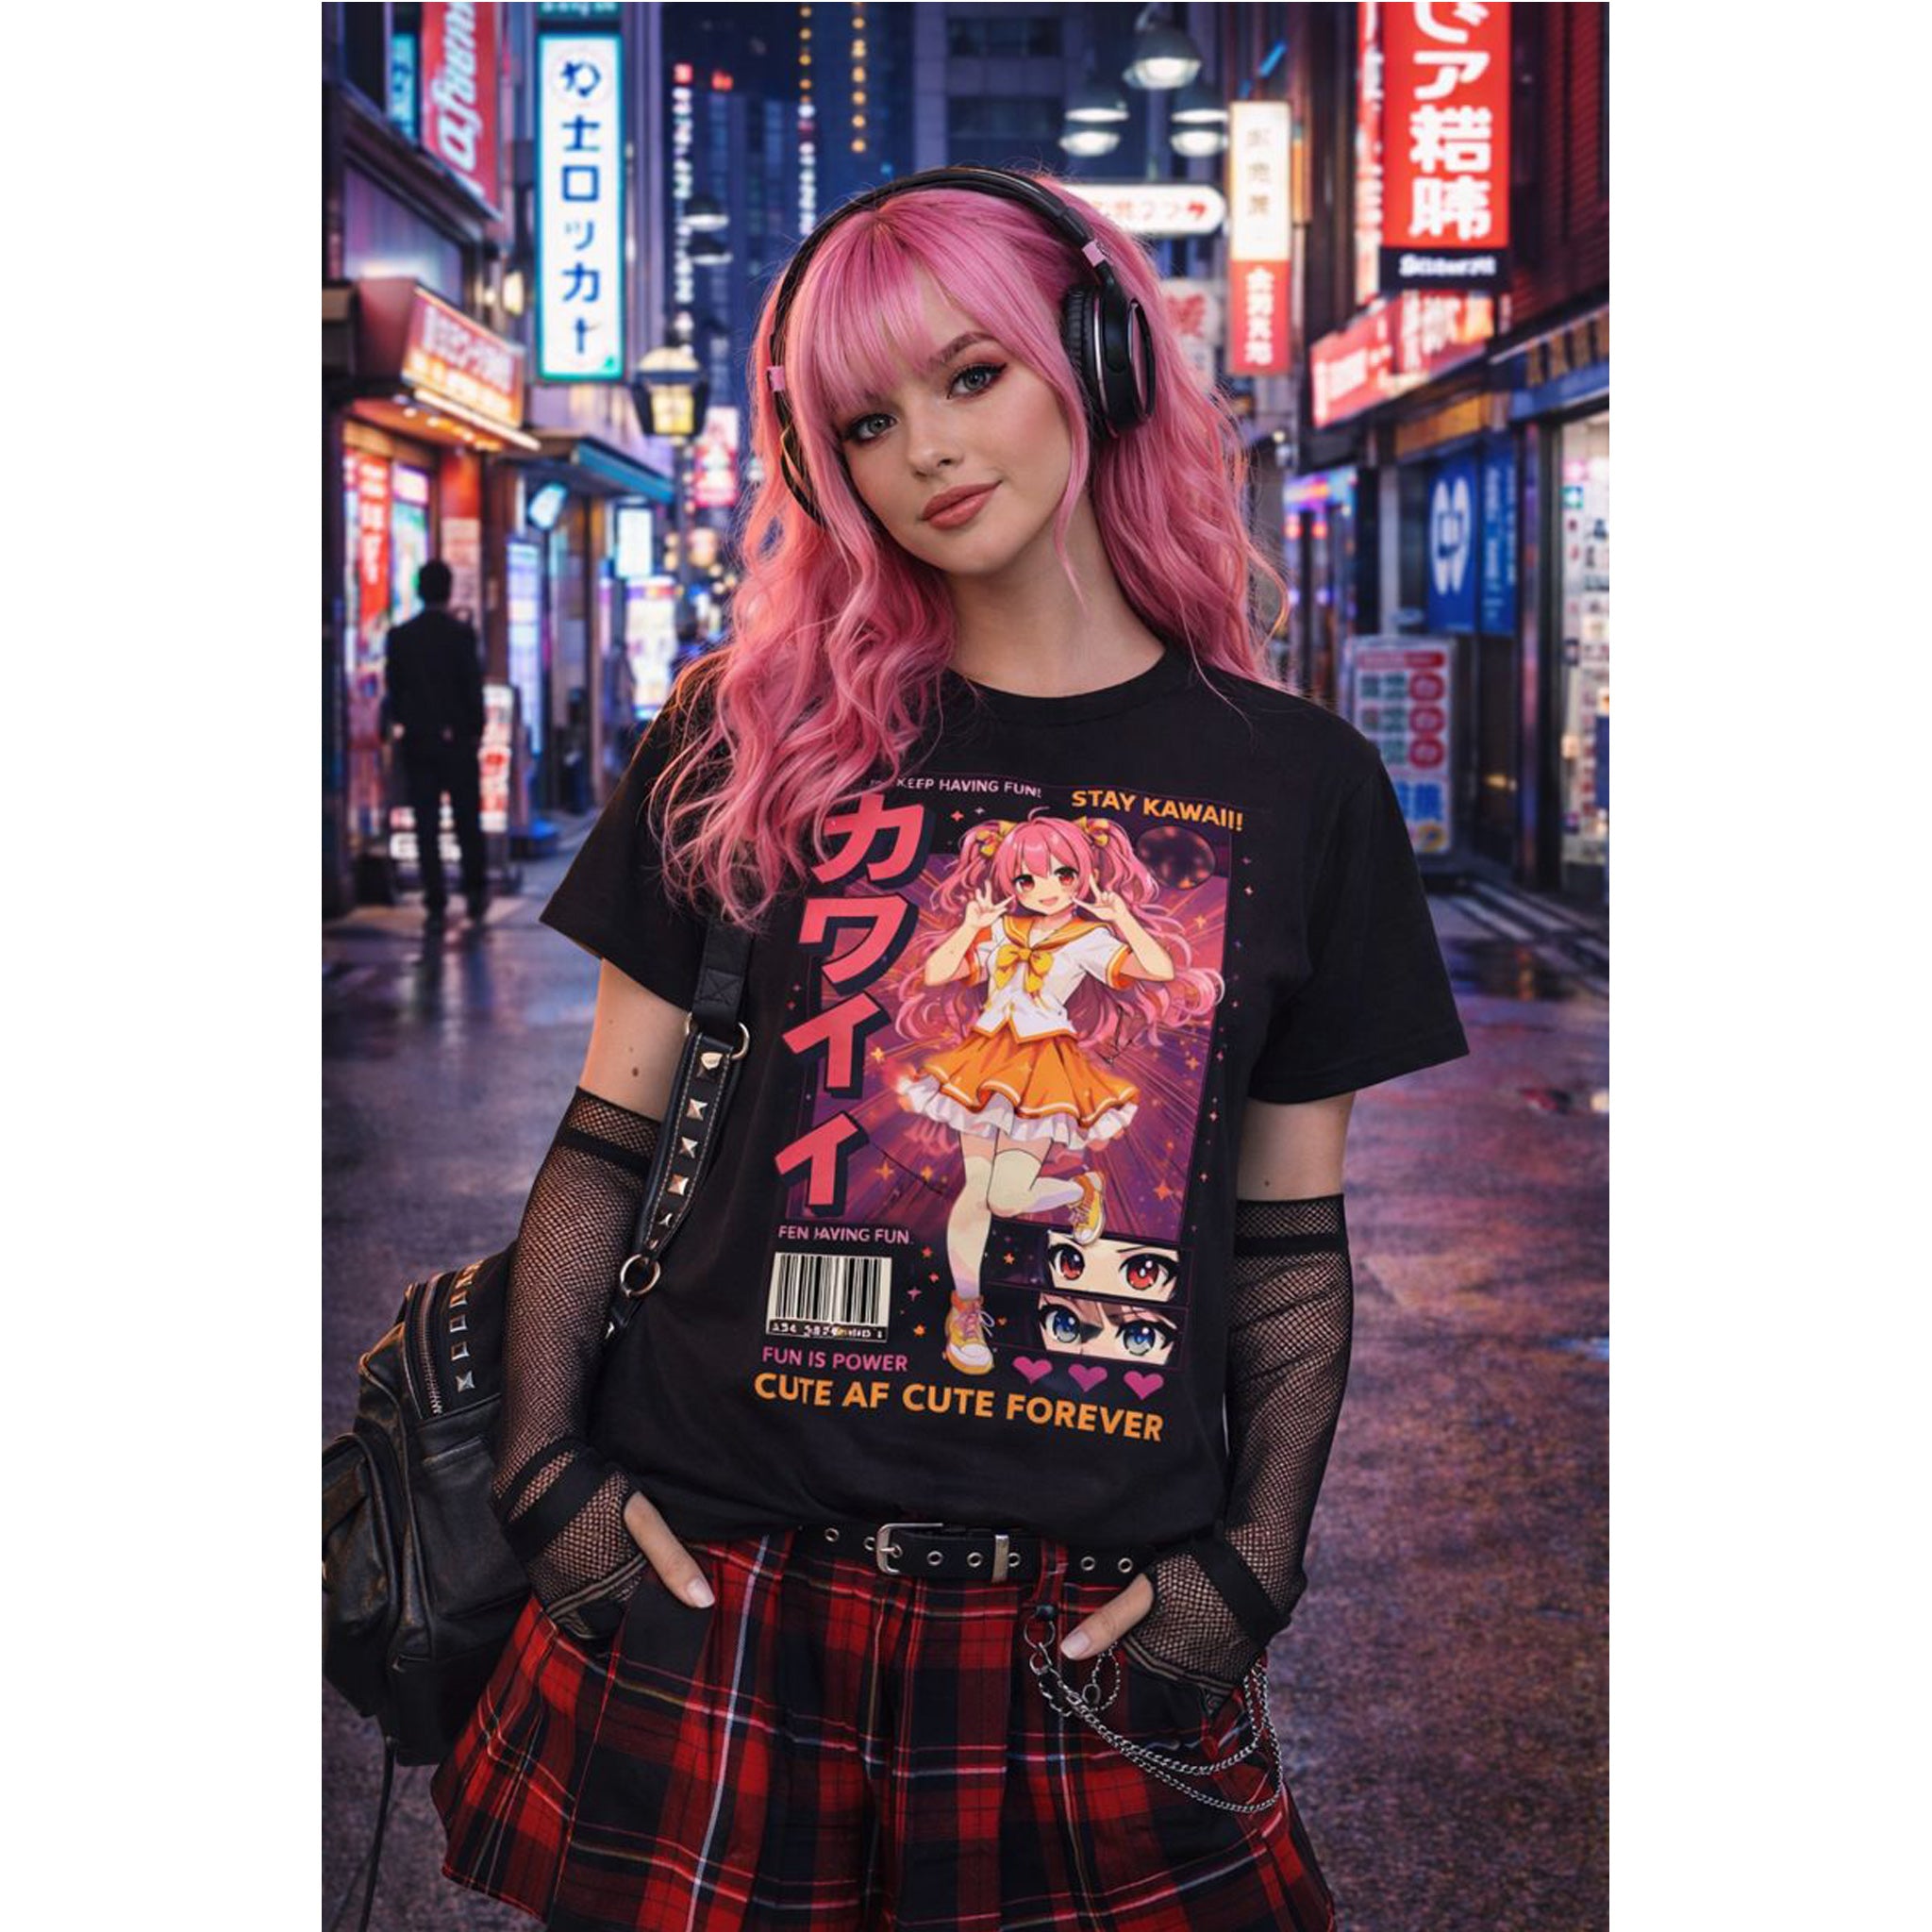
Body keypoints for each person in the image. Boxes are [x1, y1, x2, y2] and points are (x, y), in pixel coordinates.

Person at [431, 167, 1469, 1931]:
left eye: (969, 374)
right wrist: (548, 1481)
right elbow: (607, 1136)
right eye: (865, 416)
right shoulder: (748, 733)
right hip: (722, 1577)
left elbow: (1290, 1238)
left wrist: (1250, 1567)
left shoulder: (1298, 782)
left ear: (1096, 357)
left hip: (1085, 1625)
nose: (923, 447)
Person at [384, 558, 488, 926]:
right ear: (447, 591)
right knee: (466, 820)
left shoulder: (401, 637)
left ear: (419, 590)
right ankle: (475, 891)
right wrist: (475, 731)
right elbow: (472, 688)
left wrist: (407, 725)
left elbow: (395, 692)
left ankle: (435, 899)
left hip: (419, 741)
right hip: (459, 742)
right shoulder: (461, 635)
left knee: (425, 822)